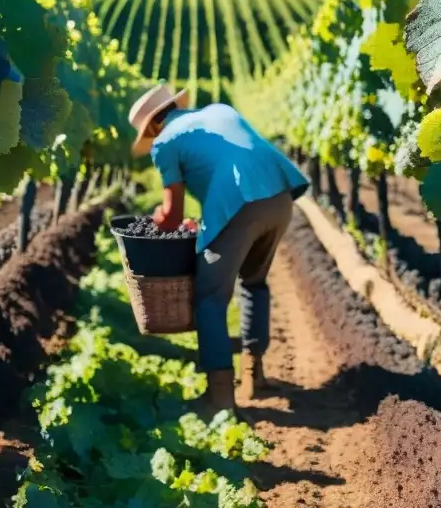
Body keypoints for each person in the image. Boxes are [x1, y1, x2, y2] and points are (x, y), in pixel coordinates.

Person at [128, 83, 309, 416]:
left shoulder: (165, 142)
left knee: (210, 298)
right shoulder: (220, 110)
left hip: (241, 205)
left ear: (153, 124)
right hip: (280, 198)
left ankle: (220, 398)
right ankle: (255, 377)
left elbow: (172, 216)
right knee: (254, 282)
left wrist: (158, 218)